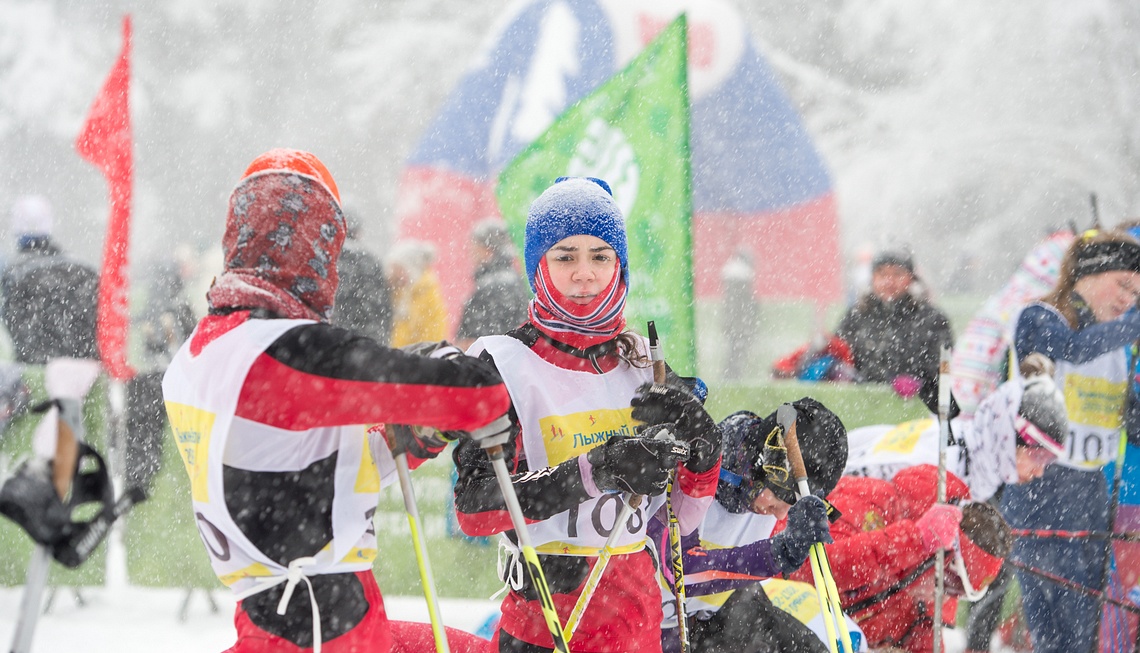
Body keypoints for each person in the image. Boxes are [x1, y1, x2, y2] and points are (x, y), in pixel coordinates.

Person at [161, 148, 513, 653]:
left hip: (284, 616)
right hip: (322, 624)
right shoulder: (281, 351)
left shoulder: (206, 348)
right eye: (326, 246)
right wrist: (451, 378)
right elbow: (475, 397)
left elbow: (298, 466)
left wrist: (413, 435)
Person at [452, 177, 722, 653]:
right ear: (539, 266)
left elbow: (685, 513)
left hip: (637, 623)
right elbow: (474, 508)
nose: (584, 274)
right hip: (548, 622)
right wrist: (597, 470)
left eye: (600, 256)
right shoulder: (502, 362)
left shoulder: (642, 358)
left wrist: (704, 448)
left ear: (619, 266)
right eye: (565, 256)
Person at [1001, 229, 1140, 653]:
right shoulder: (1041, 317)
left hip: (1091, 492)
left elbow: (1122, 418)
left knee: (1081, 630)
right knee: (1052, 626)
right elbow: (1071, 350)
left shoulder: (1119, 342)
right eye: (1124, 285)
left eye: (1137, 293)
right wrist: (1131, 325)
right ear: (1089, 275)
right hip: (1039, 488)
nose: (1128, 299)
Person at [652, 397, 853, 653]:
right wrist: (777, 554)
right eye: (782, 496)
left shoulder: (759, 492)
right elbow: (679, 573)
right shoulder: (692, 466)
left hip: (705, 622)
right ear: (760, 462)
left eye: (794, 503)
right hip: (646, 629)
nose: (781, 515)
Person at [789, 464, 1012, 653]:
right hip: (773, 612)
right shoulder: (872, 502)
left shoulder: (918, 591)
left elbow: (922, 642)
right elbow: (805, 569)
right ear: (942, 554)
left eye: (959, 593)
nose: (945, 597)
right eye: (952, 584)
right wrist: (911, 541)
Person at [834, 249, 952, 410]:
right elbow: (839, 353)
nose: (889, 282)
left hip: (913, 412)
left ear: (911, 278)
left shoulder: (932, 319)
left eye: (897, 274)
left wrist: (921, 381)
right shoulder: (856, 316)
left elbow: (942, 363)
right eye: (882, 274)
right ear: (872, 279)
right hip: (859, 408)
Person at [1, 195, 98, 364]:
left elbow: (13, 324)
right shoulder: (84, 271)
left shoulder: (14, 274)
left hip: (34, 371)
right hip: (87, 370)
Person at [455, 218, 530, 351]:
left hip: (488, 367)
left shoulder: (492, 287)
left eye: (474, 248)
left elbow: (477, 341)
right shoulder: (513, 279)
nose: (471, 254)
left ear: (487, 249)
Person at [333, 211, 393, 344]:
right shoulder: (370, 262)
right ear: (359, 232)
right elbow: (382, 307)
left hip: (331, 339)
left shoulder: (327, 258)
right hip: (365, 342)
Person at [387, 239, 449, 347]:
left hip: (412, 358)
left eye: (398, 269)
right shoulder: (402, 292)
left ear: (411, 269)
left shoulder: (425, 294)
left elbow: (431, 336)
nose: (394, 274)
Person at [718, 249, 759, 382]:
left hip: (735, 324)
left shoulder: (732, 282)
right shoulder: (741, 282)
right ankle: (731, 375)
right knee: (736, 352)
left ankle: (730, 375)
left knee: (734, 351)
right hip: (740, 325)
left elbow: (731, 307)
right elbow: (743, 307)